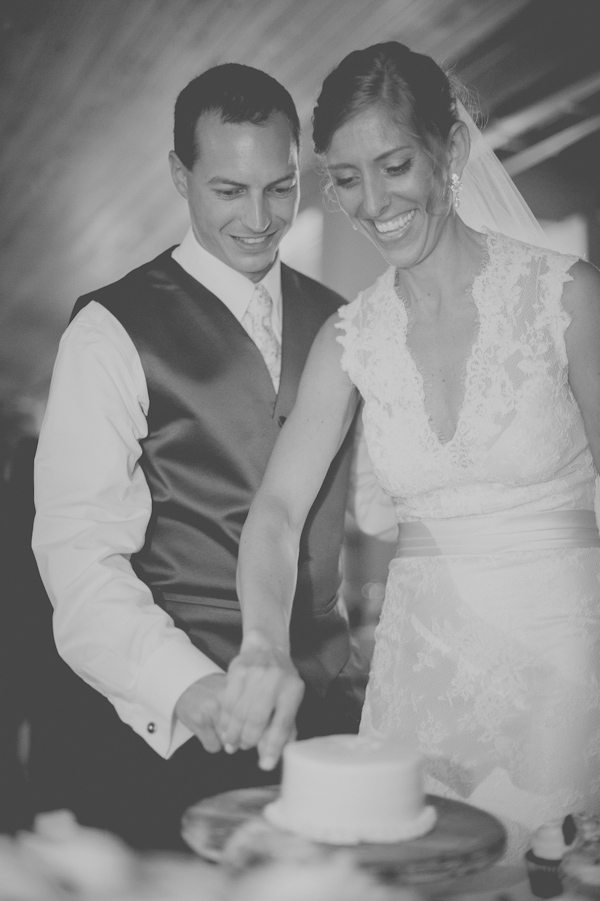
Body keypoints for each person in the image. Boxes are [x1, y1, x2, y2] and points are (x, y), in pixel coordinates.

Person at [219, 42, 600, 861]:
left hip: (570, 670)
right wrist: (262, 641)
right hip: (419, 679)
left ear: (451, 152)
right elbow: (278, 513)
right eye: (345, 179)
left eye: (394, 165)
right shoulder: (350, 339)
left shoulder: (565, 298)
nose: (372, 201)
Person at [32, 63, 366, 851]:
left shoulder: (344, 323)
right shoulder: (109, 331)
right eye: (228, 190)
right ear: (180, 176)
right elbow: (78, 557)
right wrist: (192, 689)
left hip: (326, 732)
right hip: (172, 739)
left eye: (281, 188)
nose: (259, 219)